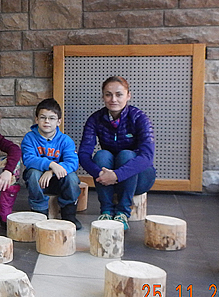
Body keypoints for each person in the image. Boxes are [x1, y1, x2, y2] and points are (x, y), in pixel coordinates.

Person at [78, 76, 155, 231]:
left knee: (127, 155)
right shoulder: (95, 119)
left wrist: (117, 175)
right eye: (108, 94)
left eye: (119, 94)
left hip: (139, 177)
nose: (113, 99)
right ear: (103, 96)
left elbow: (147, 156)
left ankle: (122, 213)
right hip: (107, 177)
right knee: (101, 155)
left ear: (128, 95)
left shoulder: (140, 118)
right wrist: (100, 174)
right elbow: (83, 154)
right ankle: (106, 211)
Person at [21, 98, 82, 229]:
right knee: (32, 173)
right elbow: (28, 159)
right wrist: (52, 164)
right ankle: (39, 211)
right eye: (43, 117)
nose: (47, 121)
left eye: (52, 118)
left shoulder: (65, 140)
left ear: (59, 121)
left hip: (59, 181)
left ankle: (69, 213)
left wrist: (52, 171)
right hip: (39, 182)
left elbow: (72, 162)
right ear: (36, 119)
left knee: (71, 177)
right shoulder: (30, 138)